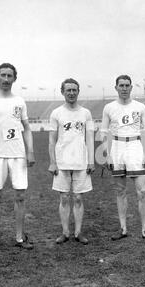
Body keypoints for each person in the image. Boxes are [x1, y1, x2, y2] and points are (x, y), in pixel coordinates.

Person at [0, 63, 35, 253]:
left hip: (17, 155)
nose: (6, 79)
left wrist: (30, 151)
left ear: (14, 79)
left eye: (10, 76)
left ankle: (19, 237)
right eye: (3, 75)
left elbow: (26, 128)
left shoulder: (19, 101)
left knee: (20, 196)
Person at [101, 75, 145, 242]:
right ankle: (123, 228)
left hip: (135, 147)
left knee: (142, 191)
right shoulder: (109, 107)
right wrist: (107, 154)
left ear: (131, 87)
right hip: (117, 147)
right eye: (121, 85)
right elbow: (103, 132)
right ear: (116, 87)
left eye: (127, 85)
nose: (124, 88)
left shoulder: (140, 107)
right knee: (120, 191)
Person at [48, 78, 94, 245]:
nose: (72, 93)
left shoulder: (85, 113)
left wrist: (91, 161)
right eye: (68, 90)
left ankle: (78, 232)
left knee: (79, 198)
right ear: (63, 92)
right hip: (62, 161)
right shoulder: (56, 113)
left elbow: (89, 138)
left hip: (81, 161)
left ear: (78, 91)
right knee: (64, 198)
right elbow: (52, 141)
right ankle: (65, 232)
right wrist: (53, 162)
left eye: (74, 90)